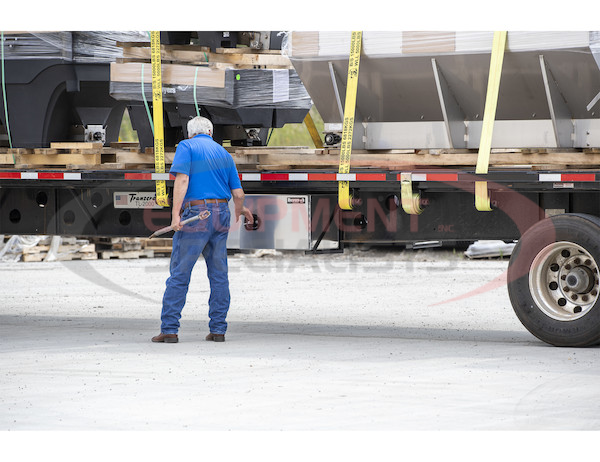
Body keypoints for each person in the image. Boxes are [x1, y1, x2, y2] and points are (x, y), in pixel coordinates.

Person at [152, 116, 253, 344]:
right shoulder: (223, 153)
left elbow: (182, 180)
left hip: (196, 215)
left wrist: (175, 215)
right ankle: (218, 330)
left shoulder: (186, 146)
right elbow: (238, 194)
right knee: (218, 274)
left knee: (180, 272)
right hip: (221, 214)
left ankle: (169, 329)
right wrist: (240, 210)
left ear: (190, 133)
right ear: (210, 131)